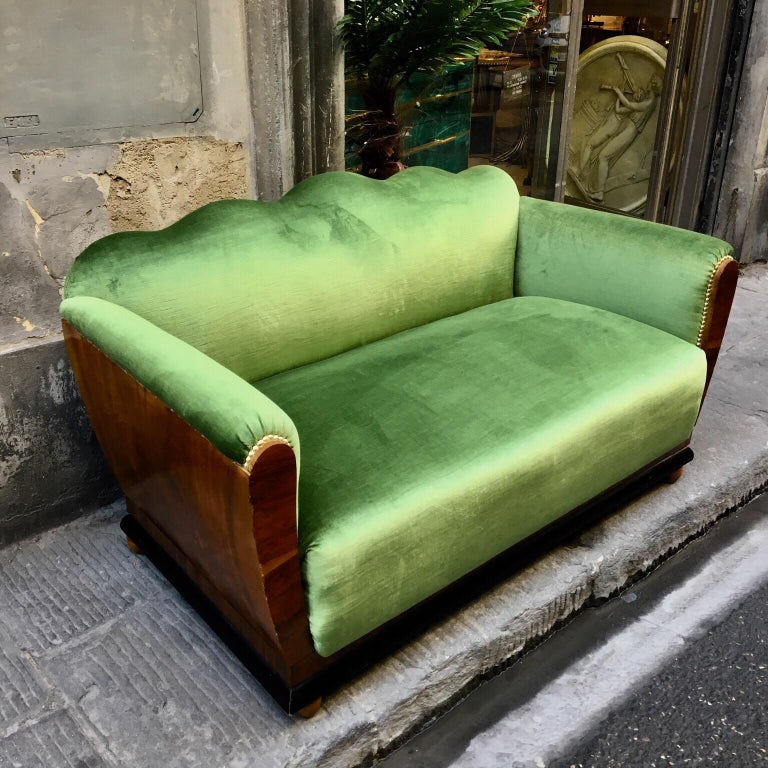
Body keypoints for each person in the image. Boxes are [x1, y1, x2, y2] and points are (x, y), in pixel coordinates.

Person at [579, 75, 662, 202]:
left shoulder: (649, 103)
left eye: (651, 82)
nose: (648, 83)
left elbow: (629, 103)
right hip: (627, 129)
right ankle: (595, 186)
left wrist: (617, 91)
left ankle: (599, 192)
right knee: (602, 155)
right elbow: (623, 106)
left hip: (629, 131)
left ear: (653, 85)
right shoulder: (647, 100)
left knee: (603, 156)